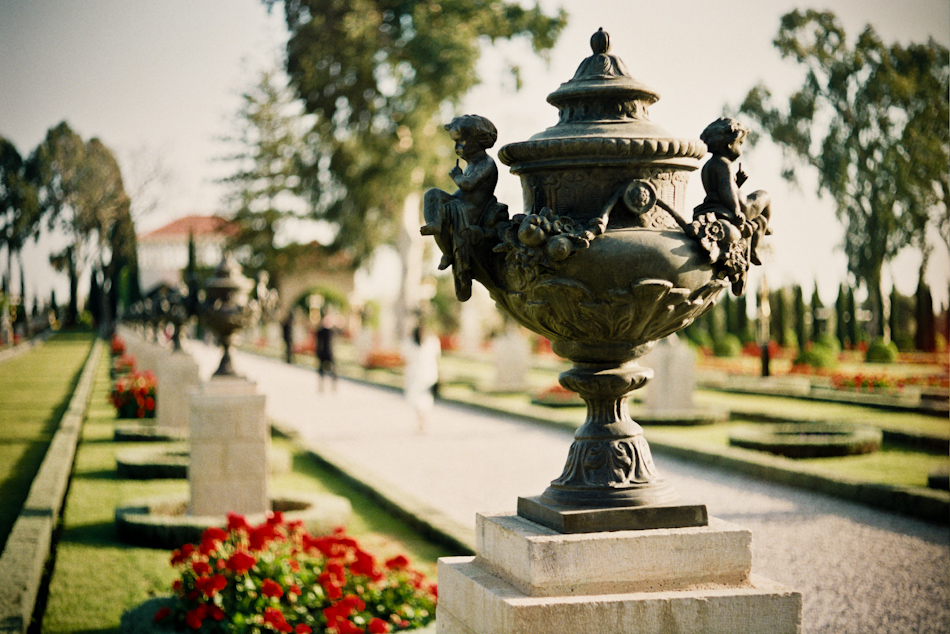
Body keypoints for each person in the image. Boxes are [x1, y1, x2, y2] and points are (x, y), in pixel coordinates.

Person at [421, 114, 508, 301]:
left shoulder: (486, 163)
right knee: (432, 195)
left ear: (477, 141)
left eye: (461, 142)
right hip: (457, 203)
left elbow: (468, 185)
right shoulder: (472, 164)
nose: (457, 148)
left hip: (469, 210)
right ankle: (440, 236)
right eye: (456, 143)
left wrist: (457, 176)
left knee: (445, 213)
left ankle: (446, 248)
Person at [694, 117, 772, 266]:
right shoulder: (724, 164)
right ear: (730, 144)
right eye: (740, 143)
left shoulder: (708, 166)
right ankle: (762, 232)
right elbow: (727, 191)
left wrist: (738, 183)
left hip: (716, 205)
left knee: (759, 221)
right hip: (743, 207)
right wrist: (736, 211)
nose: (741, 149)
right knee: (765, 195)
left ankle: (760, 232)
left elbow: (720, 189)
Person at [403, 323, 441, 432]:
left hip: (419, 375)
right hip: (426, 374)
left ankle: (422, 421)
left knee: (420, 400)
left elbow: (405, 358)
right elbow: (437, 356)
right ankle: (423, 421)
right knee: (424, 400)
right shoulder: (431, 341)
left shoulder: (411, 342)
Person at [315, 313, 337, 392]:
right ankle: (321, 386)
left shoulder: (331, 330)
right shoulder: (322, 330)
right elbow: (318, 342)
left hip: (330, 352)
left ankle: (333, 386)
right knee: (321, 371)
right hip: (323, 353)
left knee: (333, 371)